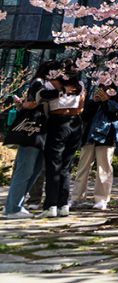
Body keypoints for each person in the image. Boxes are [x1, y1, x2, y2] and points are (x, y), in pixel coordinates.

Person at [3, 61, 56, 219]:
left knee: (34, 169)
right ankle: (12, 208)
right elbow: (36, 100)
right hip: (32, 131)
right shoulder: (39, 83)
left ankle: (14, 205)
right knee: (25, 169)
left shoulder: (41, 82)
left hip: (39, 131)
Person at [39, 65, 85, 218]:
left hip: (57, 123)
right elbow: (80, 108)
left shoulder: (51, 84)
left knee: (53, 165)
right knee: (66, 166)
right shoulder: (80, 85)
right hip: (75, 124)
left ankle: (51, 205)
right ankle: (63, 204)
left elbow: (42, 98)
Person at [71, 82, 118, 211]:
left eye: (107, 89)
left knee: (104, 170)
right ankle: (76, 198)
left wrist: (106, 101)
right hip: (89, 138)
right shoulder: (94, 102)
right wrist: (94, 102)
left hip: (107, 138)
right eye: (101, 89)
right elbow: (84, 117)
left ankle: (101, 199)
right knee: (82, 169)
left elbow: (115, 116)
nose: (103, 91)